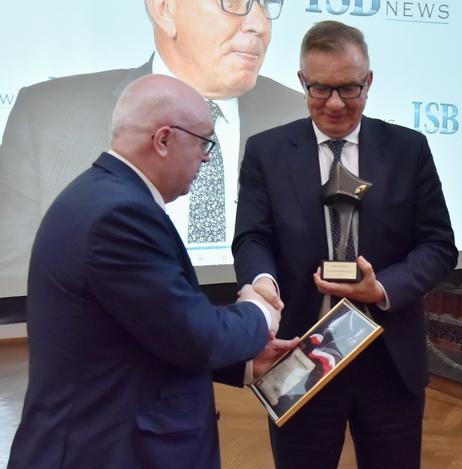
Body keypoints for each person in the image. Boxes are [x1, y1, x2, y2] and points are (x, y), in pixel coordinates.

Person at [6, 74, 299, 469]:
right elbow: (195, 335)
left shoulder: (103, 197)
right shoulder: (119, 215)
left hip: (104, 458)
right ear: (163, 140)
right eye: (203, 142)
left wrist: (246, 364)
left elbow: (151, 329)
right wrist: (259, 310)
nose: (207, 157)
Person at [232, 20, 457, 469]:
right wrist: (263, 281)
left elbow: (439, 245)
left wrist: (383, 287)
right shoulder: (266, 152)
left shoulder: (408, 150)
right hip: (300, 354)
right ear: (302, 82)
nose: (335, 103)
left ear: (368, 82)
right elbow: (252, 238)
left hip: (389, 361)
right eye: (320, 88)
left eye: (349, 88)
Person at [0, 0, 306, 286]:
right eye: (234, 2)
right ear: (164, 9)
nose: (259, 24)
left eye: (266, 3)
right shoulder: (48, 115)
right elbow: (15, 283)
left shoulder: (302, 117)